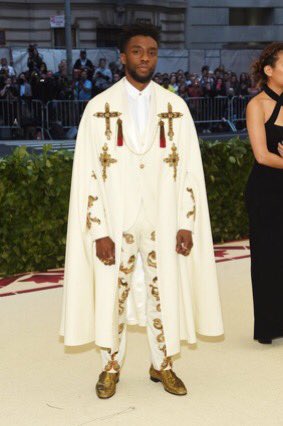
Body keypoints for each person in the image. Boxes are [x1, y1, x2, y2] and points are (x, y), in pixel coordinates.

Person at [60, 23, 223, 399]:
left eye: (150, 51)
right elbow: (87, 175)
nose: (144, 57)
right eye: (136, 51)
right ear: (123, 56)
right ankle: (111, 365)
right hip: (116, 221)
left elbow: (188, 174)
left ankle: (162, 363)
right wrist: (98, 229)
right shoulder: (97, 107)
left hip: (162, 219)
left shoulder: (175, 108)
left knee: (162, 291)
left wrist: (185, 223)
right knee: (111, 292)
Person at [245, 42, 283, 344]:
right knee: (268, 257)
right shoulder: (256, 105)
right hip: (266, 192)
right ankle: (268, 327)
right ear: (269, 71)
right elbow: (262, 156)